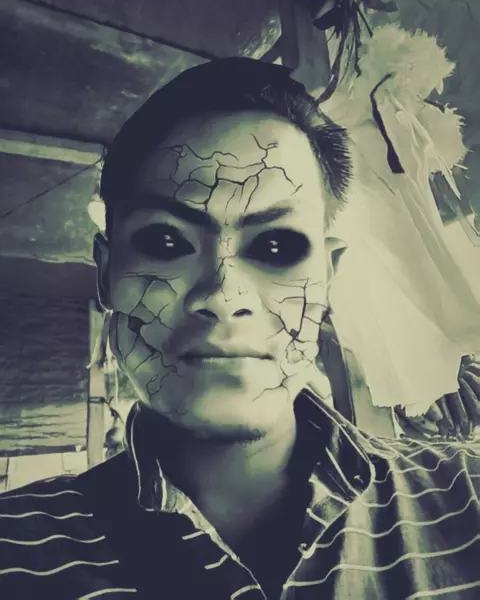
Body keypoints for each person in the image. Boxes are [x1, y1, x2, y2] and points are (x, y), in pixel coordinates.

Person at [0, 58, 479, 600]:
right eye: (166, 241)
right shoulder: (14, 551)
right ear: (107, 275)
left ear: (328, 277)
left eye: (276, 246)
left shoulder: (469, 496)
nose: (224, 298)